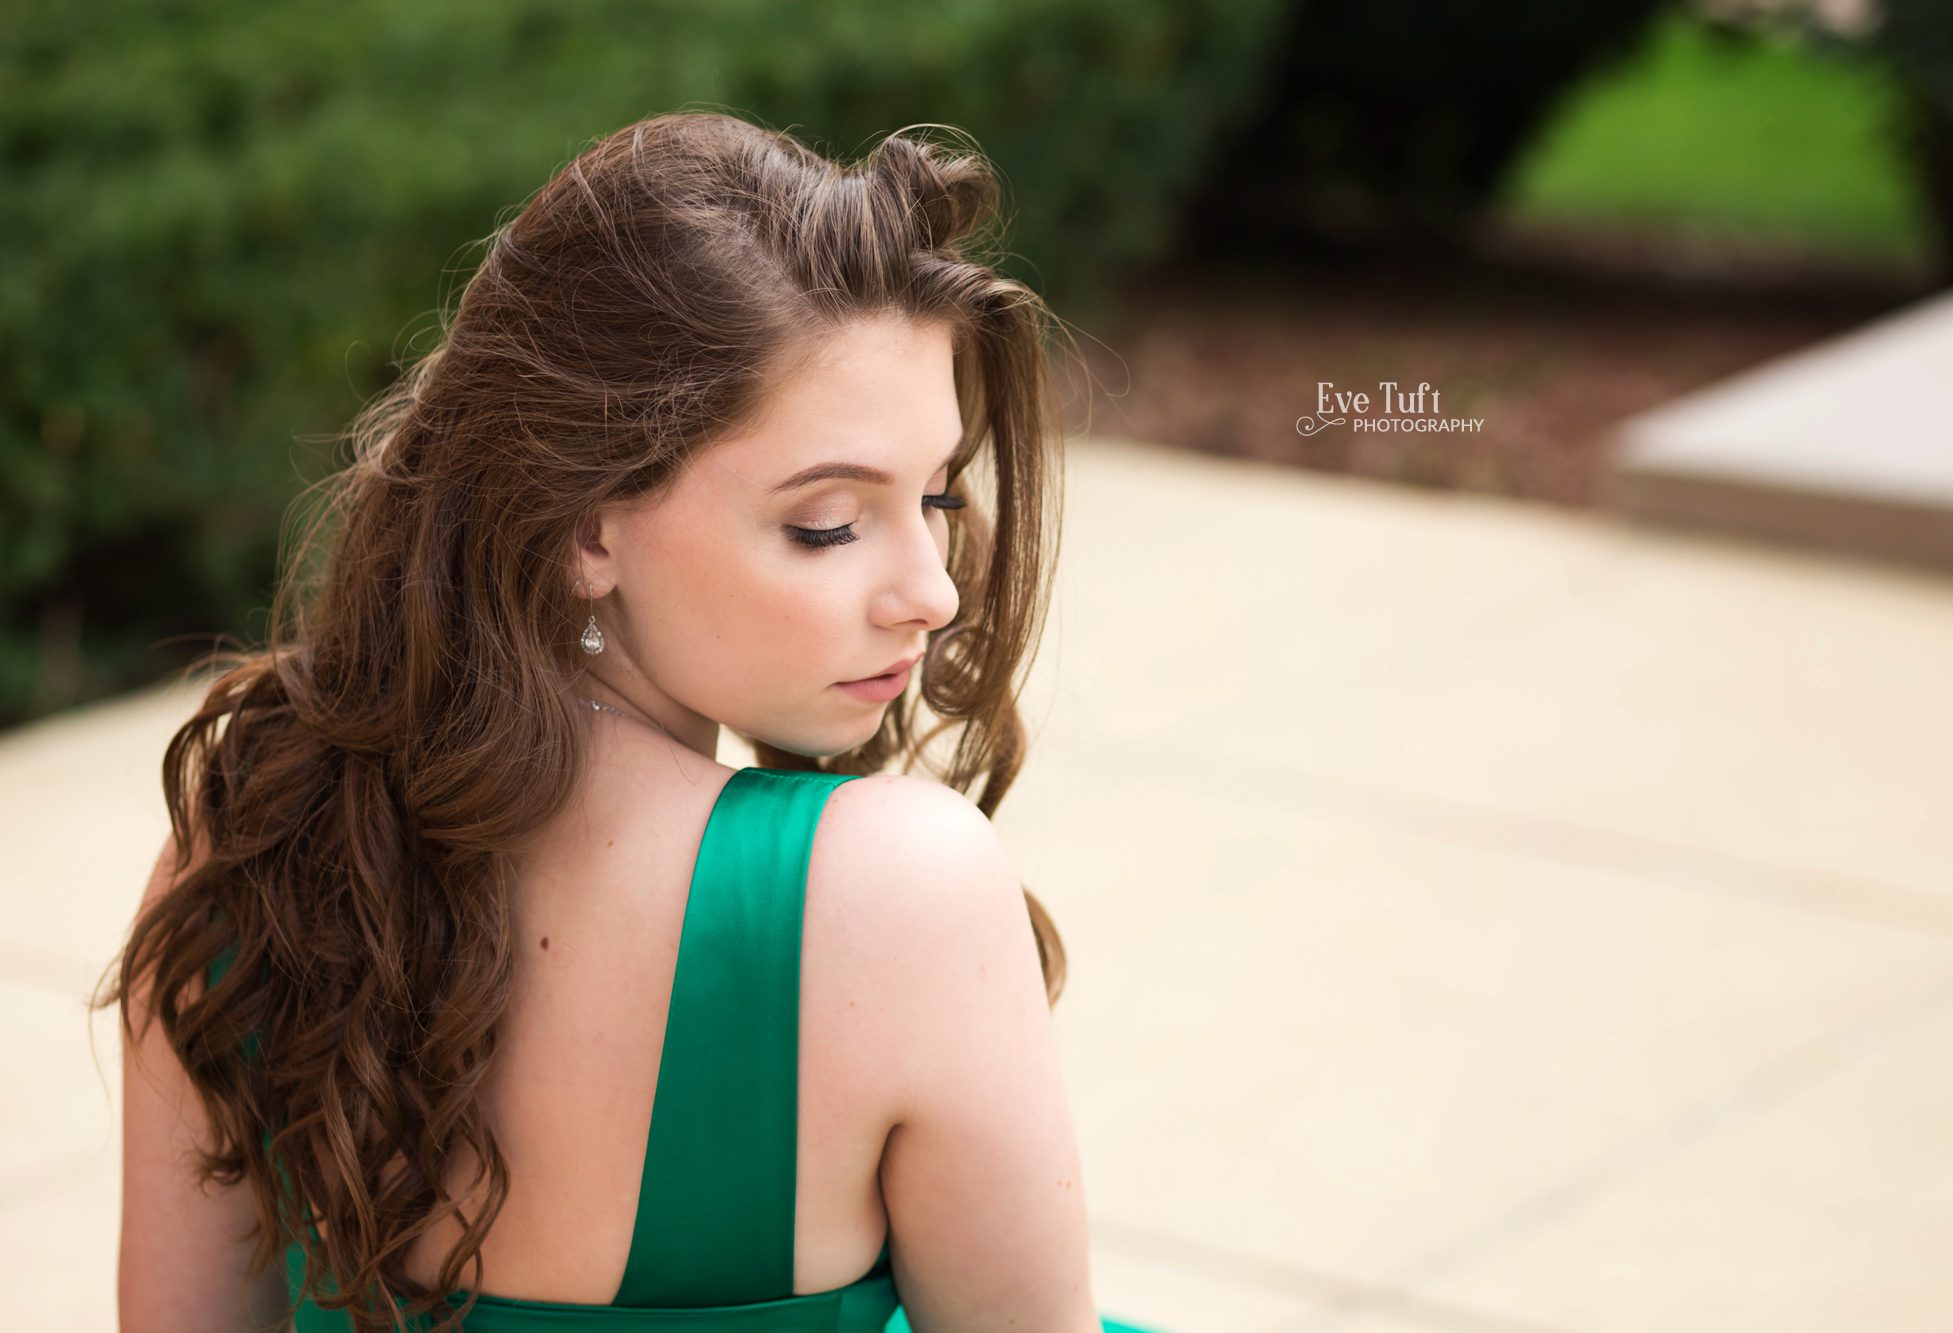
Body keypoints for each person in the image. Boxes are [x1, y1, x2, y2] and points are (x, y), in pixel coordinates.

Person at [97, 113, 1165, 1332]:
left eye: (935, 497)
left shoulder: (254, 828)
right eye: (826, 524)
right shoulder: (888, 890)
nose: (934, 591)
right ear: (584, 528)